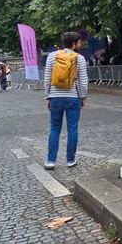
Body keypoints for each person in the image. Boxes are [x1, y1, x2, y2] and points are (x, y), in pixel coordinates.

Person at [43, 31, 88, 170]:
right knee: (72, 129)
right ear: (74, 44)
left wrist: (48, 96)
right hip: (73, 97)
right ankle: (70, 160)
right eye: (79, 42)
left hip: (55, 97)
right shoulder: (78, 58)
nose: (80, 44)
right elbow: (83, 80)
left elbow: (47, 79)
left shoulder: (52, 56)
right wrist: (83, 96)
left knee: (54, 128)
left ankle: (50, 161)